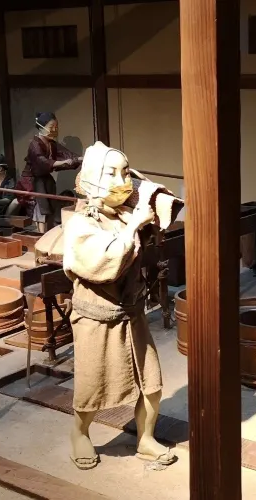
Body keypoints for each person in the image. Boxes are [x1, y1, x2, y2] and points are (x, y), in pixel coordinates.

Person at [62, 141, 175, 470]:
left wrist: (147, 198)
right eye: (111, 173)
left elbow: (159, 213)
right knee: (91, 386)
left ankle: (145, 439)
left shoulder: (125, 214)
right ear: (92, 178)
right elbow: (105, 263)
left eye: (126, 172)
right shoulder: (82, 223)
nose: (122, 180)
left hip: (131, 313)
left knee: (151, 383)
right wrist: (135, 225)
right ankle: (79, 433)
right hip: (96, 318)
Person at [20, 112, 82, 232]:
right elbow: (41, 161)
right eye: (51, 127)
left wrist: (80, 158)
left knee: (50, 204)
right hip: (33, 180)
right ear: (41, 127)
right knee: (41, 206)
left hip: (45, 178)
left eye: (56, 127)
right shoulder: (34, 144)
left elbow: (66, 154)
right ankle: (41, 233)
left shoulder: (51, 143)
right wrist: (61, 162)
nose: (54, 130)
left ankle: (48, 231)